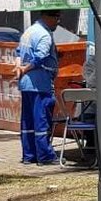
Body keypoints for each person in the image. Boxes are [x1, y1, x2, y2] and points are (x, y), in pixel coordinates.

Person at [15, 10, 62, 165]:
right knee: (42, 120)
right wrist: (25, 68)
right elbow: (39, 57)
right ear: (47, 17)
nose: (58, 21)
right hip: (40, 83)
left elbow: (17, 52)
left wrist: (18, 68)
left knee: (28, 121)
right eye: (56, 17)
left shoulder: (28, 32)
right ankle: (45, 156)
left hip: (26, 84)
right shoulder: (44, 35)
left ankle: (29, 155)